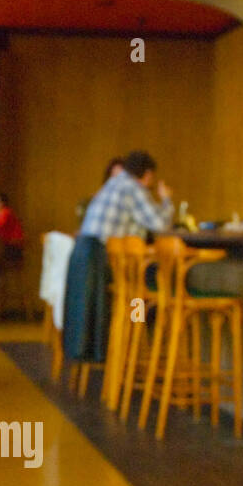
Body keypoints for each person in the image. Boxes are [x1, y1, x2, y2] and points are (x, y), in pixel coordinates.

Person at [64, 151, 174, 364]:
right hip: (100, 258)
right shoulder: (134, 188)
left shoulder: (115, 184)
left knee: (139, 284)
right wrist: (167, 199)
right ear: (148, 174)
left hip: (88, 253)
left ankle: (133, 341)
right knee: (143, 288)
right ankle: (137, 335)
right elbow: (160, 224)